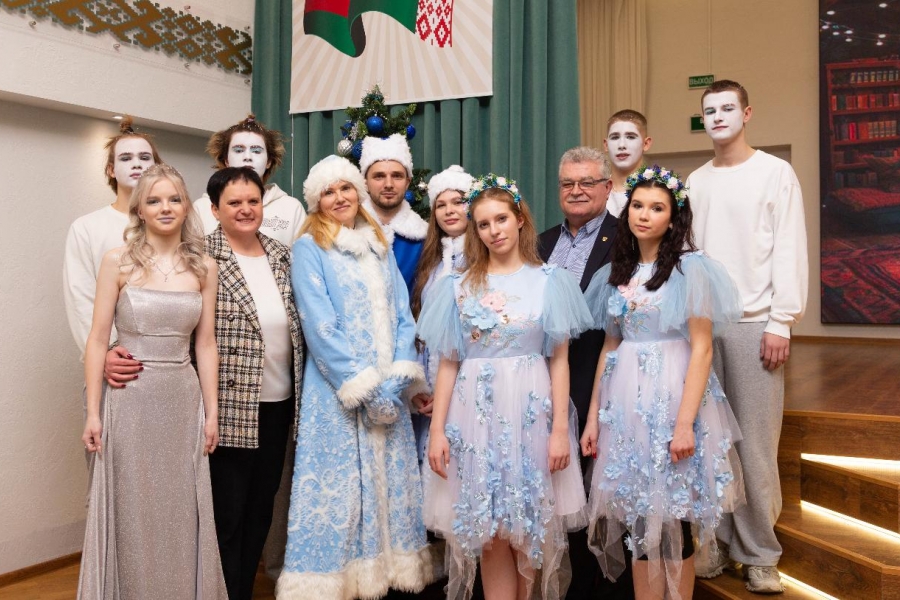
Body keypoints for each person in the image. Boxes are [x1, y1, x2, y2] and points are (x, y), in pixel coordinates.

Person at [418, 174, 593, 600]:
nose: (493, 230)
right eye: (483, 223)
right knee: (491, 529)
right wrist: (437, 431)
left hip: (530, 418)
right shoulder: (457, 286)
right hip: (474, 420)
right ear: (475, 231)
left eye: (501, 219)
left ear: (519, 219)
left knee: (529, 528)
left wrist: (559, 431)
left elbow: (559, 361)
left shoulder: (550, 281)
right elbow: (448, 364)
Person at [581, 165, 745, 600]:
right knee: (639, 515)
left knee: (676, 513)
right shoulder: (617, 273)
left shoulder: (691, 270)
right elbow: (609, 348)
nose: (644, 214)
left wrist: (684, 424)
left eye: (656, 208)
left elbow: (702, 349)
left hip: (674, 398)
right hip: (626, 404)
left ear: (673, 219)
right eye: (637, 205)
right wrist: (594, 417)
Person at [277, 156, 434, 600]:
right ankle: (332, 582)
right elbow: (319, 326)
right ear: (317, 202)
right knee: (341, 489)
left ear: (358, 193)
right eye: (328, 192)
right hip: (338, 392)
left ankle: (389, 573)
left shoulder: (378, 244)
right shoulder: (309, 247)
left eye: (346, 188)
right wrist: (364, 388)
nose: (339, 197)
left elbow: (403, 317)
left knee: (390, 485)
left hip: (389, 393)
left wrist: (397, 379)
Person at [78, 164, 227, 599]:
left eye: (174, 199)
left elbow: (206, 345)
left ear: (186, 207)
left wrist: (212, 413)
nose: (166, 207)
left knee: (179, 508)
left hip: (182, 401)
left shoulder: (204, 267)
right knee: (131, 505)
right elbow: (97, 339)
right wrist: (92, 413)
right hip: (129, 401)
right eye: (154, 200)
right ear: (139, 209)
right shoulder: (117, 261)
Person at [687, 79, 808, 594]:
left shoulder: (775, 173)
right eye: (709, 110)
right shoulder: (695, 181)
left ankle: (760, 554)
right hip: (702, 327)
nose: (718, 116)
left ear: (747, 113)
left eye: (727, 108)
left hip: (756, 323)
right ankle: (714, 542)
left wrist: (781, 321)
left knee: (756, 445)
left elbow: (789, 247)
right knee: (710, 443)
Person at [202, 167, 305, 600]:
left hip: (280, 403)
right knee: (228, 514)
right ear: (215, 210)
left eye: (253, 201)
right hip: (229, 405)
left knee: (262, 508)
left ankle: (241, 589)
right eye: (234, 203)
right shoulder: (200, 256)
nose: (245, 209)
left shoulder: (283, 254)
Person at [538, 147, 628, 600]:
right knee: (560, 490)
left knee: (602, 492)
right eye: (568, 183)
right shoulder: (539, 242)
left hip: (602, 377)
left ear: (607, 188)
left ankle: (606, 589)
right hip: (544, 382)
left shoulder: (627, 236)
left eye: (587, 182)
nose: (576, 191)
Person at [64, 116, 162, 359]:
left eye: (145, 157)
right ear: (111, 170)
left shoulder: (174, 224)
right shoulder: (86, 227)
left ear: (157, 168)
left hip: (171, 354)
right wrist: (107, 350)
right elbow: (81, 299)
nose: (136, 164)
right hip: (114, 358)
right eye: (126, 158)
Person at [409, 165, 475, 464]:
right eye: (440, 205)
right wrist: (419, 389)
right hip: (429, 381)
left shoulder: (484, 261)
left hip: (466, 382)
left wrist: (449, 393)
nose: (449, 211)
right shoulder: (432, 262)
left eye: (458, 202)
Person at [193, 114, 306, 246]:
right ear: (226, 160)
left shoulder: (291, 208)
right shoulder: (202, 207)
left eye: (256, 151)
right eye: (238, 150)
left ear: (269, 161)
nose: (247, 157)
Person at [359, 133, 429, 292]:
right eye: (379, 176)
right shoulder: (348, 229)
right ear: (365, 182)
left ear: (407, 182)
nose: (388, 184)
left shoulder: (424, 237)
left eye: (397, 176)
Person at [604, 110, 653, 218]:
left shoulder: (662, 190)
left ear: (646, 144)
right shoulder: (597, 192)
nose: (621, 145)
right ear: (606, 145)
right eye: (615, 137)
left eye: (630, 137)